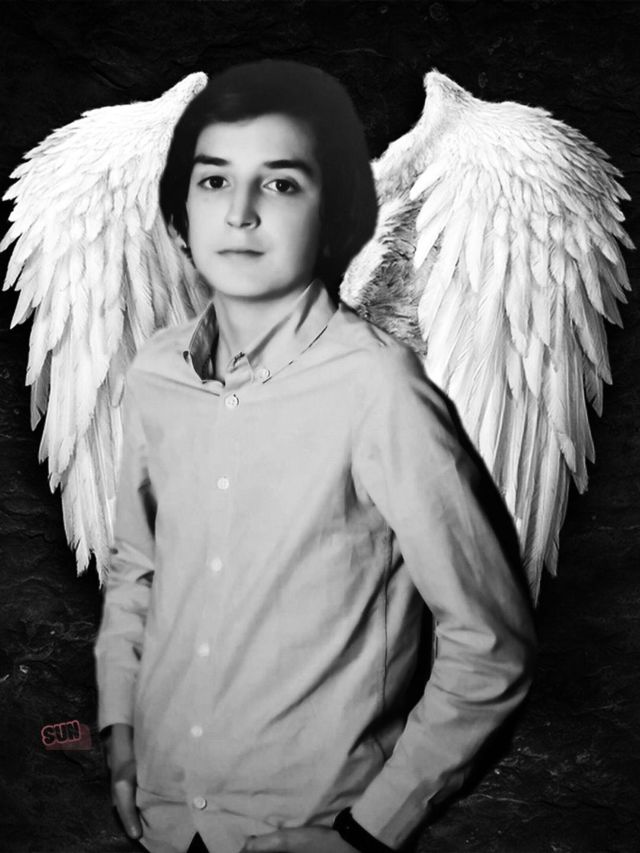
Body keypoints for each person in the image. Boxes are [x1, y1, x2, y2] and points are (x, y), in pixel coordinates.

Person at [94, 59, 536, 853]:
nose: (240, 214)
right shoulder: (156, 374)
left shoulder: (380, 390)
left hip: (312, 825)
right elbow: (138, 566)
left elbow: (490, 646)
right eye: (214, 181)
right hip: (166, 825)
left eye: (280, 184)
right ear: (180, 215)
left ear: (334, 216)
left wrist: (367, 833)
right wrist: (120, 724)